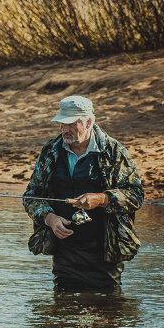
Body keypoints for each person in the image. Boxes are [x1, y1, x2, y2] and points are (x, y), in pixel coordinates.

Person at [23, 95, 144, 291]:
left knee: (108, 311)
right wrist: (50, 218)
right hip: (64, 253)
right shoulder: (51, 151)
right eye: (62, 123)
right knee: (62, 312)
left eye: (71, 123)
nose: (65, 129)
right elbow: (31, 196)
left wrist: (102, 199)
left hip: (104, 253)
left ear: (88, 122)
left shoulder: (114, 152)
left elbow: (136, 195)